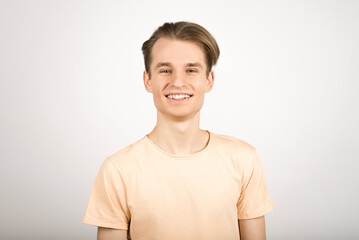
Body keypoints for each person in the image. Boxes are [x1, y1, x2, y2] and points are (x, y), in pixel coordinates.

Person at [82, 21, 274, 240]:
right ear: (147, 80)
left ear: (209, 80)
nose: (178, 82)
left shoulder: (244, 159)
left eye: (191, 70)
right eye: (165, 70)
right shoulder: (117, 171)